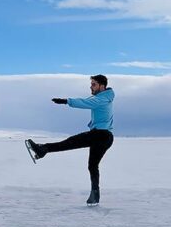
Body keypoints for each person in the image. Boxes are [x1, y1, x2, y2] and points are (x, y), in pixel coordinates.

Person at [25, 75, 114, 206]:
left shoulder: (102, 99)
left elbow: (86, 102)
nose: (91, 86)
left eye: (94, 84)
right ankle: (95, 195)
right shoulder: (103, 97)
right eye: (91, 84)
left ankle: (43, 149)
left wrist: (67, 101)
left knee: (70, 142)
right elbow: (88, 101)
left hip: (101, 135)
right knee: (92, 165)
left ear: (102, 86)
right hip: (105, 137)